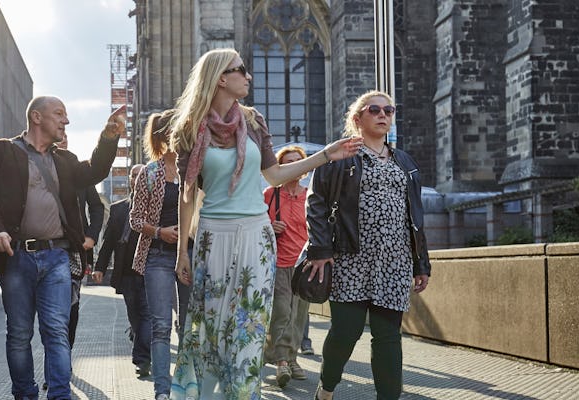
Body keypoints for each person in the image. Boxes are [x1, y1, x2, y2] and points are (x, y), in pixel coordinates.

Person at [168, 48, 362, 399]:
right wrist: (183, 250)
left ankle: (244, 394)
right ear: (222, 78)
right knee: (210, 326)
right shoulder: (189, 128)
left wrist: (325, 156)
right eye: (241, 70)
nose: (249, 76)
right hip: (213, 236)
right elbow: (186, 196)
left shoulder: (254, 121)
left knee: (250, 325)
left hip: (256, 236)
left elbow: (273, 175)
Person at [0, 96, 125, 400]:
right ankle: (25, 395)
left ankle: (59, 395)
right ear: (37, 117)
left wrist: (109, 137)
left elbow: (95, 171)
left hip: (58, 256)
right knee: (19, 334)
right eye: (59, 114)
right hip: (16, 257)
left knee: (56, 330)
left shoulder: (65, 161)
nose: (65, 121)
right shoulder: (0, 151)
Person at [304, 90, 431, 400]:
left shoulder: (405, 162)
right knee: (345, 332)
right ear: (357, 118)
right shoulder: (338, 157)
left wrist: (421, 263)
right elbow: (316, 202)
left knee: (388, 337)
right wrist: (320, 249)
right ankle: (328, 386)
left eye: (389, 109)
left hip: (395, 261)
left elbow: (415, 215)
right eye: (374, 109)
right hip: (350, 258)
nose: (382, 114)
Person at [129, 110, 187, 400]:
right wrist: (160, 231)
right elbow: (135, 219)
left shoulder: (194, 171)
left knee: (189, 325)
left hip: (190, 257)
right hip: (158, 257)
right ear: (165, 135)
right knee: (161, 326)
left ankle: (188, 386)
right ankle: (162, 391)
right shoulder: (150, 173)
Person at [93, 164, 151, 378]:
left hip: (148, 269)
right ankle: (140, 341)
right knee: (134, 316)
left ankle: (142, 358)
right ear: (129, 180)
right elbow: (108, 243)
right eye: (134, 175)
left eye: (141, 175)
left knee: (147, 314)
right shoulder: (118, 208)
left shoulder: (155, 206)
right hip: (126, 272)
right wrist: (100, 267)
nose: (137, 178)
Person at [262, 146, 311, 387]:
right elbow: (257, 224)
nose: (293, 166)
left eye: (297, 161)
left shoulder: (311, 195)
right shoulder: (270, 194)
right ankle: (282, 360)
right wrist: (270, 226)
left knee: (299, 315)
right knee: (282, 311)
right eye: (287, 162)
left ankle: (291, 358)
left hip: (304, 264)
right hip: (278, 261)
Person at [57, 133, 106, 350]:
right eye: (59, 138)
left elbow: (96, 206)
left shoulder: (77, 172)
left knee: (71, 307)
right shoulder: (36, 168)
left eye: (66, 138)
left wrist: (92, 236)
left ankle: (62, 360)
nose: (63, 141)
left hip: (75, 251)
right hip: (46, 247)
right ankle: (56, 367)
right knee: (52, 312)